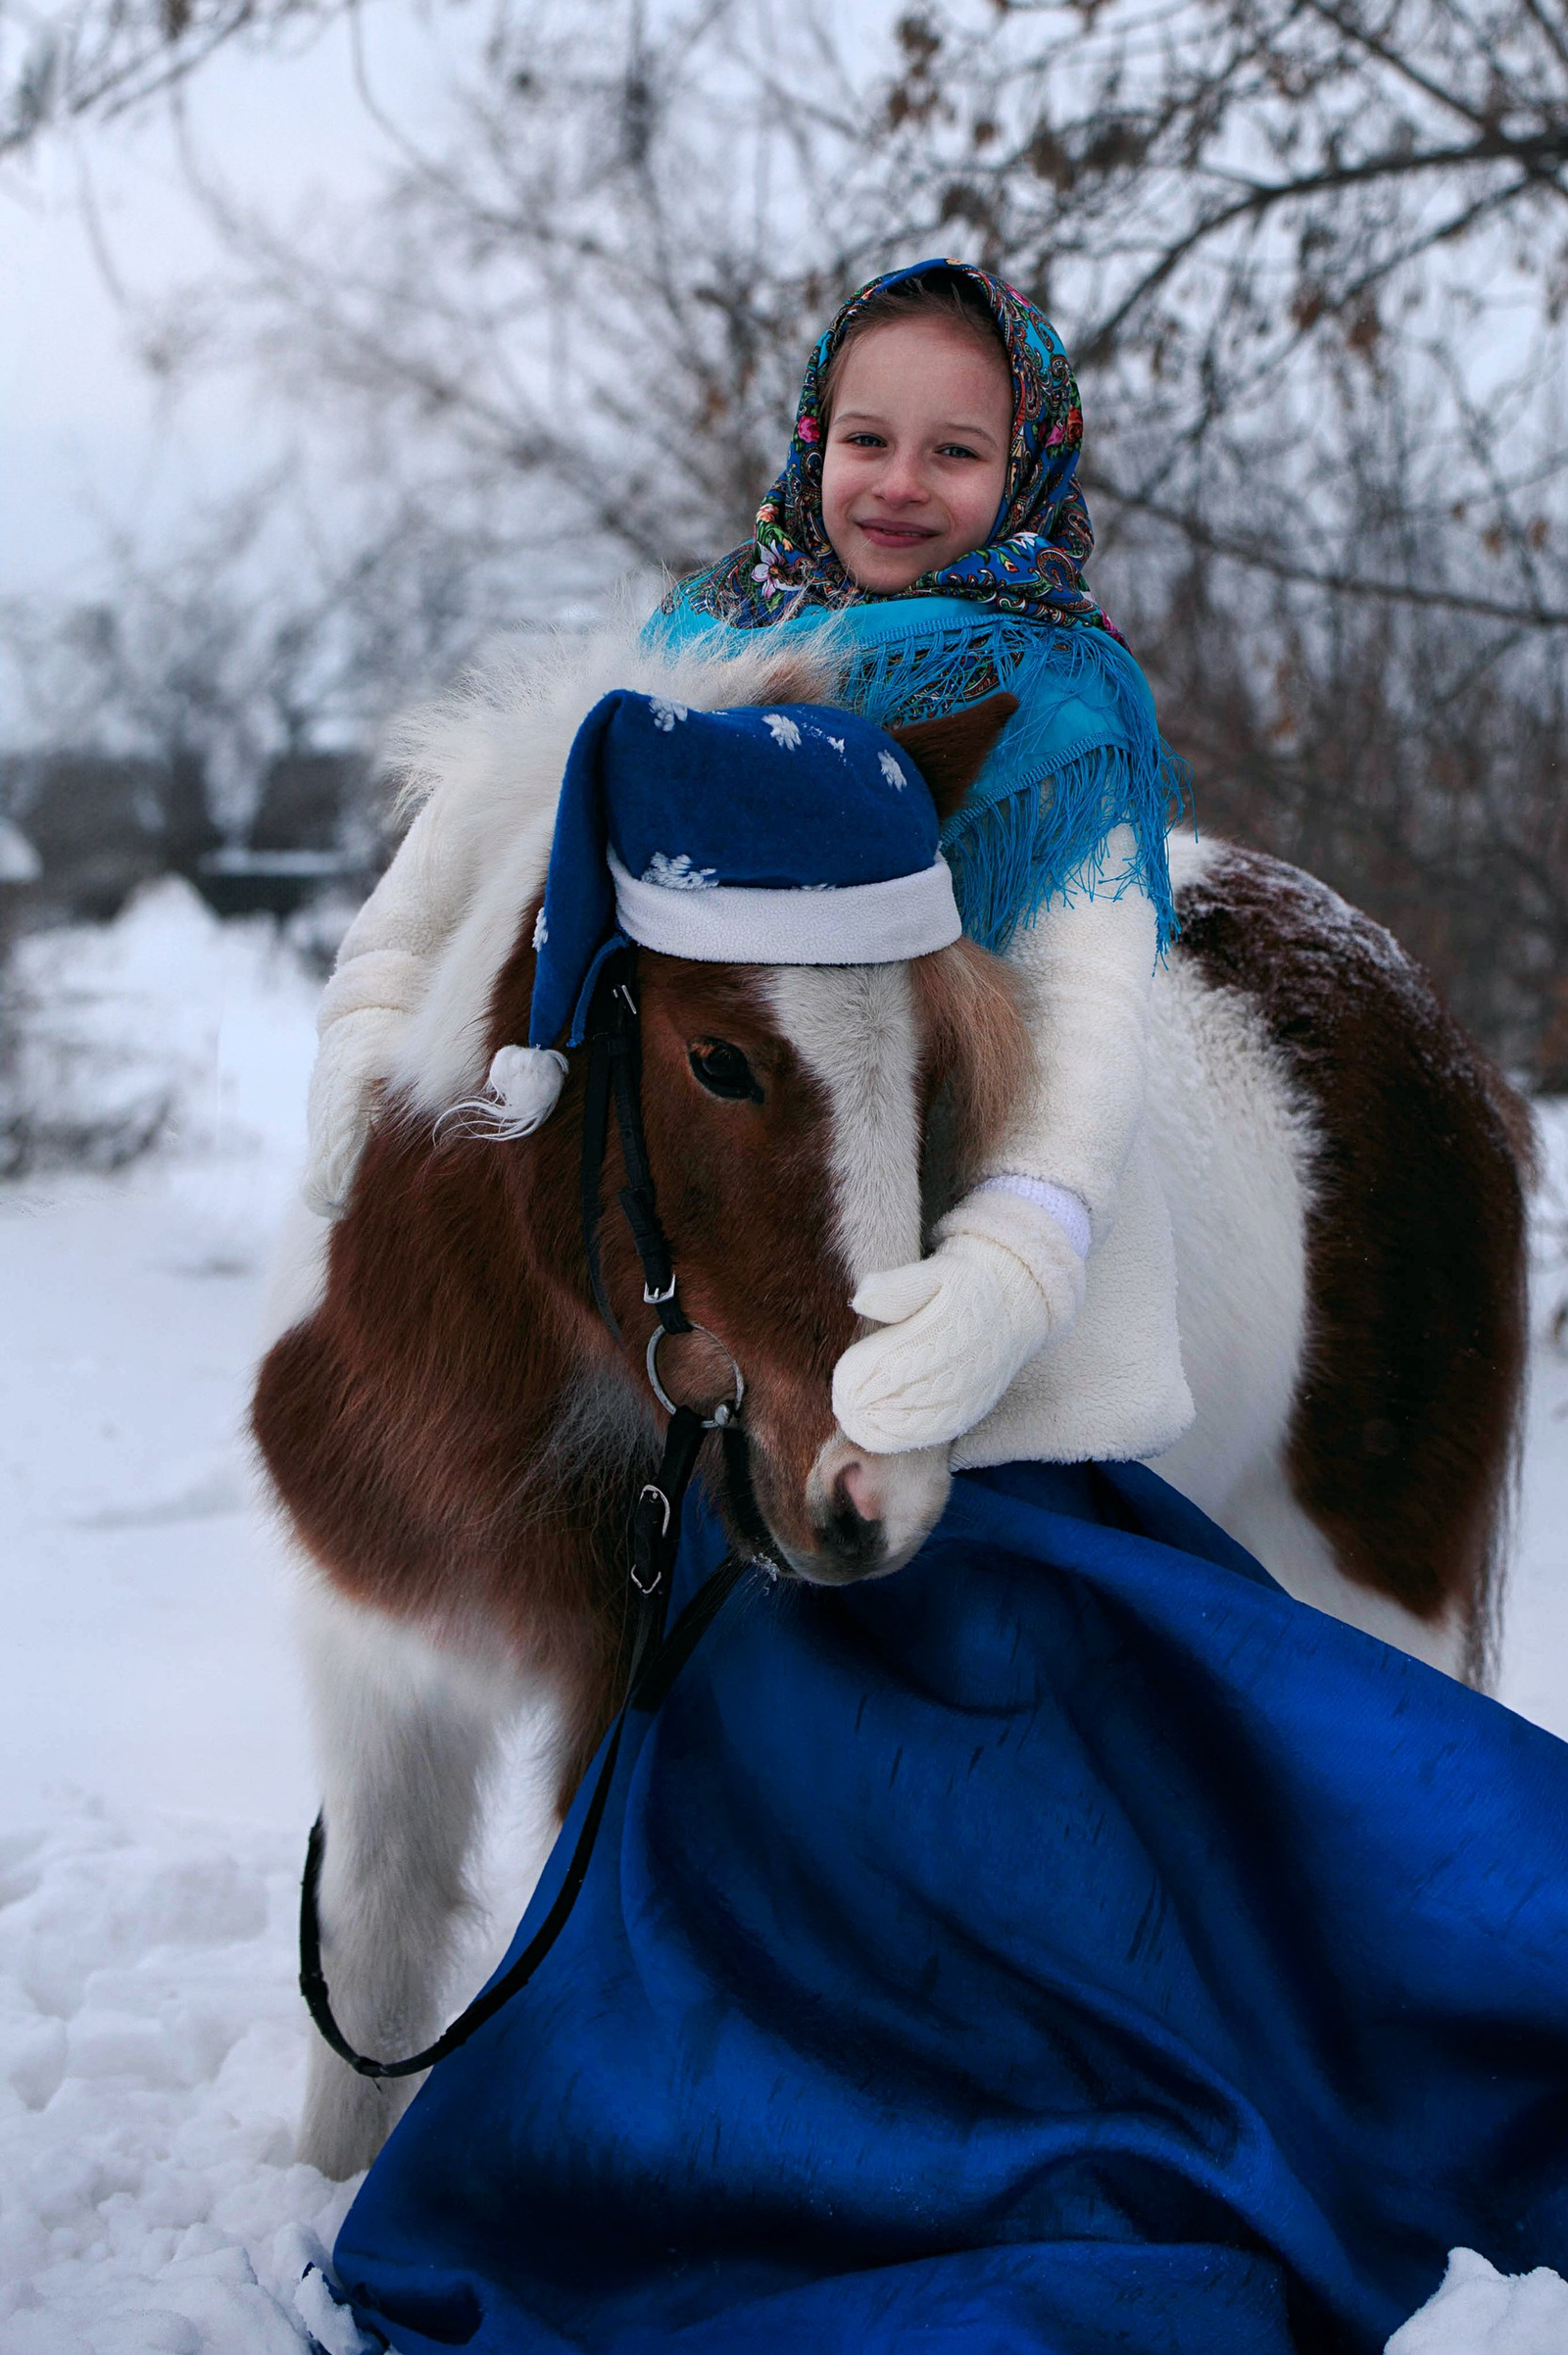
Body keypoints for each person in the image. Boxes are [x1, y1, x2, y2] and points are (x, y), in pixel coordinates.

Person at [305, 258, 1193, 1473]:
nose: (897, 484)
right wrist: (382, 996)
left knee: (997, 1573)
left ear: (1028, 466)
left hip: (933, 1177)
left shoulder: (1064, 710)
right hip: (732, 1199)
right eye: (869, 438)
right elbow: (497, 796)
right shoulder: (715, 632)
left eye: (956, 452)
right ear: (816, 437)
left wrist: (1020, 1246)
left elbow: (1085, 999)